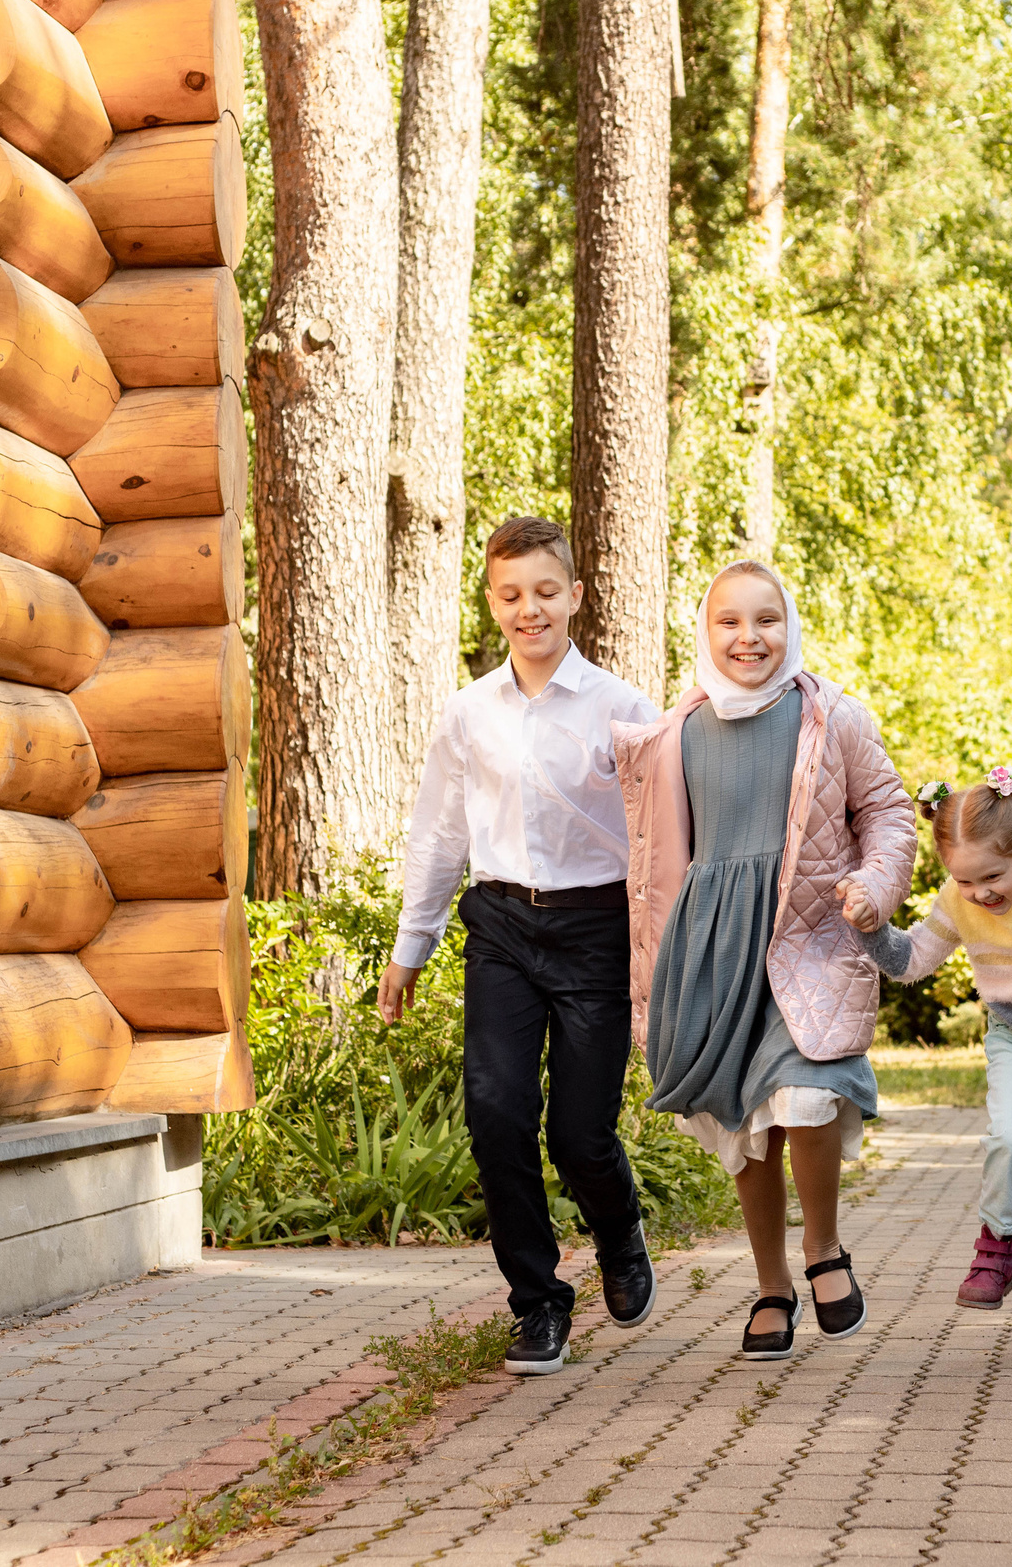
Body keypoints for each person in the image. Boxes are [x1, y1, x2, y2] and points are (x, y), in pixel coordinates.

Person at [380, 515, 662, 1378]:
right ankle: (537, 1303)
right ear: (493, 602)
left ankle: (619, 1230)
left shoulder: (623, 711)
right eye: (511, 595)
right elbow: (438, 835)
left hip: (594, 933)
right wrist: (410, 946)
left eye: (545, 591)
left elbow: (659, 835)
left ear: (575, 595)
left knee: (581, 1136)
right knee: (496, 1113)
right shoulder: (468, 713)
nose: (529, 609)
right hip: (500, 925)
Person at [615, 560, 917, 1359]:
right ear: (705, 632)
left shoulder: (829, 715)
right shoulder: (674, 732)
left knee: (808, 1096)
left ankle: (824, 1247)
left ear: (790, 626)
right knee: (746, 1123)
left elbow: (886, 809)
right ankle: (772, 1282)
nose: (749, 637)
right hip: (714, 948)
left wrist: (875, 886)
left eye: (766, 619)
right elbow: (643, 852)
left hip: (809, 934)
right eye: (730, 621)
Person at [840, 767, 1012, 1326]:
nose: (979, 894)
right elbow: (912, 960)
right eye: (964, 881)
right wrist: (871, 926)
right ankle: (995, 1248)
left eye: (992, 876)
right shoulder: (959, 898)